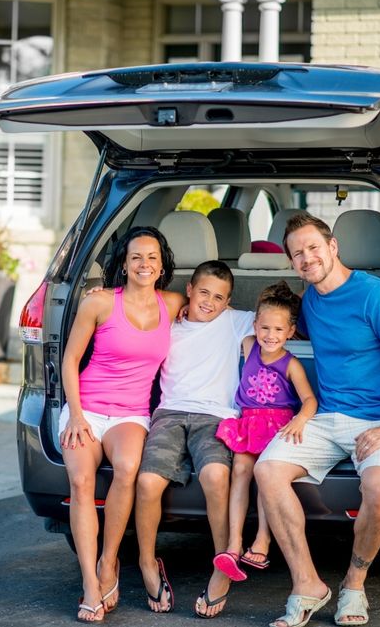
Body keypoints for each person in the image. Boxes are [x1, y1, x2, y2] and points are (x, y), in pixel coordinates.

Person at [254, 213, 380, 627]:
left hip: (377, 418)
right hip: (326, 416)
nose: (307, 257)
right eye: (297, 253)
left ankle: (354, 583)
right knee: (267, 470)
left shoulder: (378, 297)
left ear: (333, 247)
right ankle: (306, 584)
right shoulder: (310, 299)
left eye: (314, 247)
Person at [60, 225, 185, 623]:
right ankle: (89, 585)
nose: (144, 263)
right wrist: (76, 415)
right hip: (88, 407)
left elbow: (217, 313)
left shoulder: (173, 302)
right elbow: (69, 361)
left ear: (162, 263)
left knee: (128, 468)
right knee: (80, 481)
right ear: (125, 264)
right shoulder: (98, 303)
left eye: (151, 256)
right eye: (136, 257)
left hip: (131, 413)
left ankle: (109, 561)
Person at [134, 260, 255, 618]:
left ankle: (222, 565)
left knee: (216, 476)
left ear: (228, 301)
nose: (210, 302)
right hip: (169, 414)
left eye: (219, 298)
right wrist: (100, 292)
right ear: (189, 290)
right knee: (147, 482)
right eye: (203, 293)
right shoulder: (167, 322)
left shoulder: (234, 322)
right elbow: (130, 305)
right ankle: (146, 562)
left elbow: (280, 311)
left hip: (216, 416)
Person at [213, 281, 317, 583]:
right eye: (265, 328)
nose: (270, 336)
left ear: (290, 331)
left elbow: (310, 399)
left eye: (278, 330)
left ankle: (262, 538)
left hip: (278, 426)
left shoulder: (291, 364)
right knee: (241, 471)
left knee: (264, 473)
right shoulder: (249, 345)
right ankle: (233, 544)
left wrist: (300, 420)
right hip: (248, 422)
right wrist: (187, 305)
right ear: (255, 325)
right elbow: (225, 310)